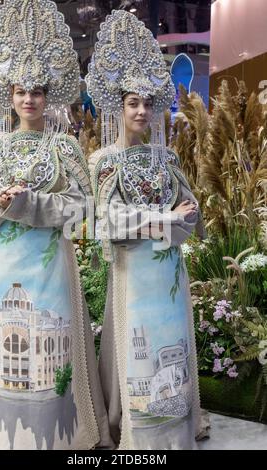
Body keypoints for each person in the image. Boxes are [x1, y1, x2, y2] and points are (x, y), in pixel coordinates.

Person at [0, 0, 112, 450]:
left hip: (50, 272)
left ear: (48, 96)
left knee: (54, 355)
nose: (28, 98)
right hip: (5, 266)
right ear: (8, 96)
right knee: (7, 352)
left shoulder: (64, 149)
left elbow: (82, 209)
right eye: (20, 91)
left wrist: (31, 203)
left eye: (37, 91)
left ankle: (62, 437)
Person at [87, 10, 207, 450]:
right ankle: (134, 430)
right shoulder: (102, 161)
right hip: (132, 276)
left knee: (170, 344)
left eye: (147, 103)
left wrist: (182, 219)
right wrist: (165, 220)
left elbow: (193, 219)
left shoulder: (169, 161)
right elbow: (106, 222)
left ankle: (176, 426)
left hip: (168, 277)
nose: (140, 110)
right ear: (118, 106)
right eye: (132, 102)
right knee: (136, 355)